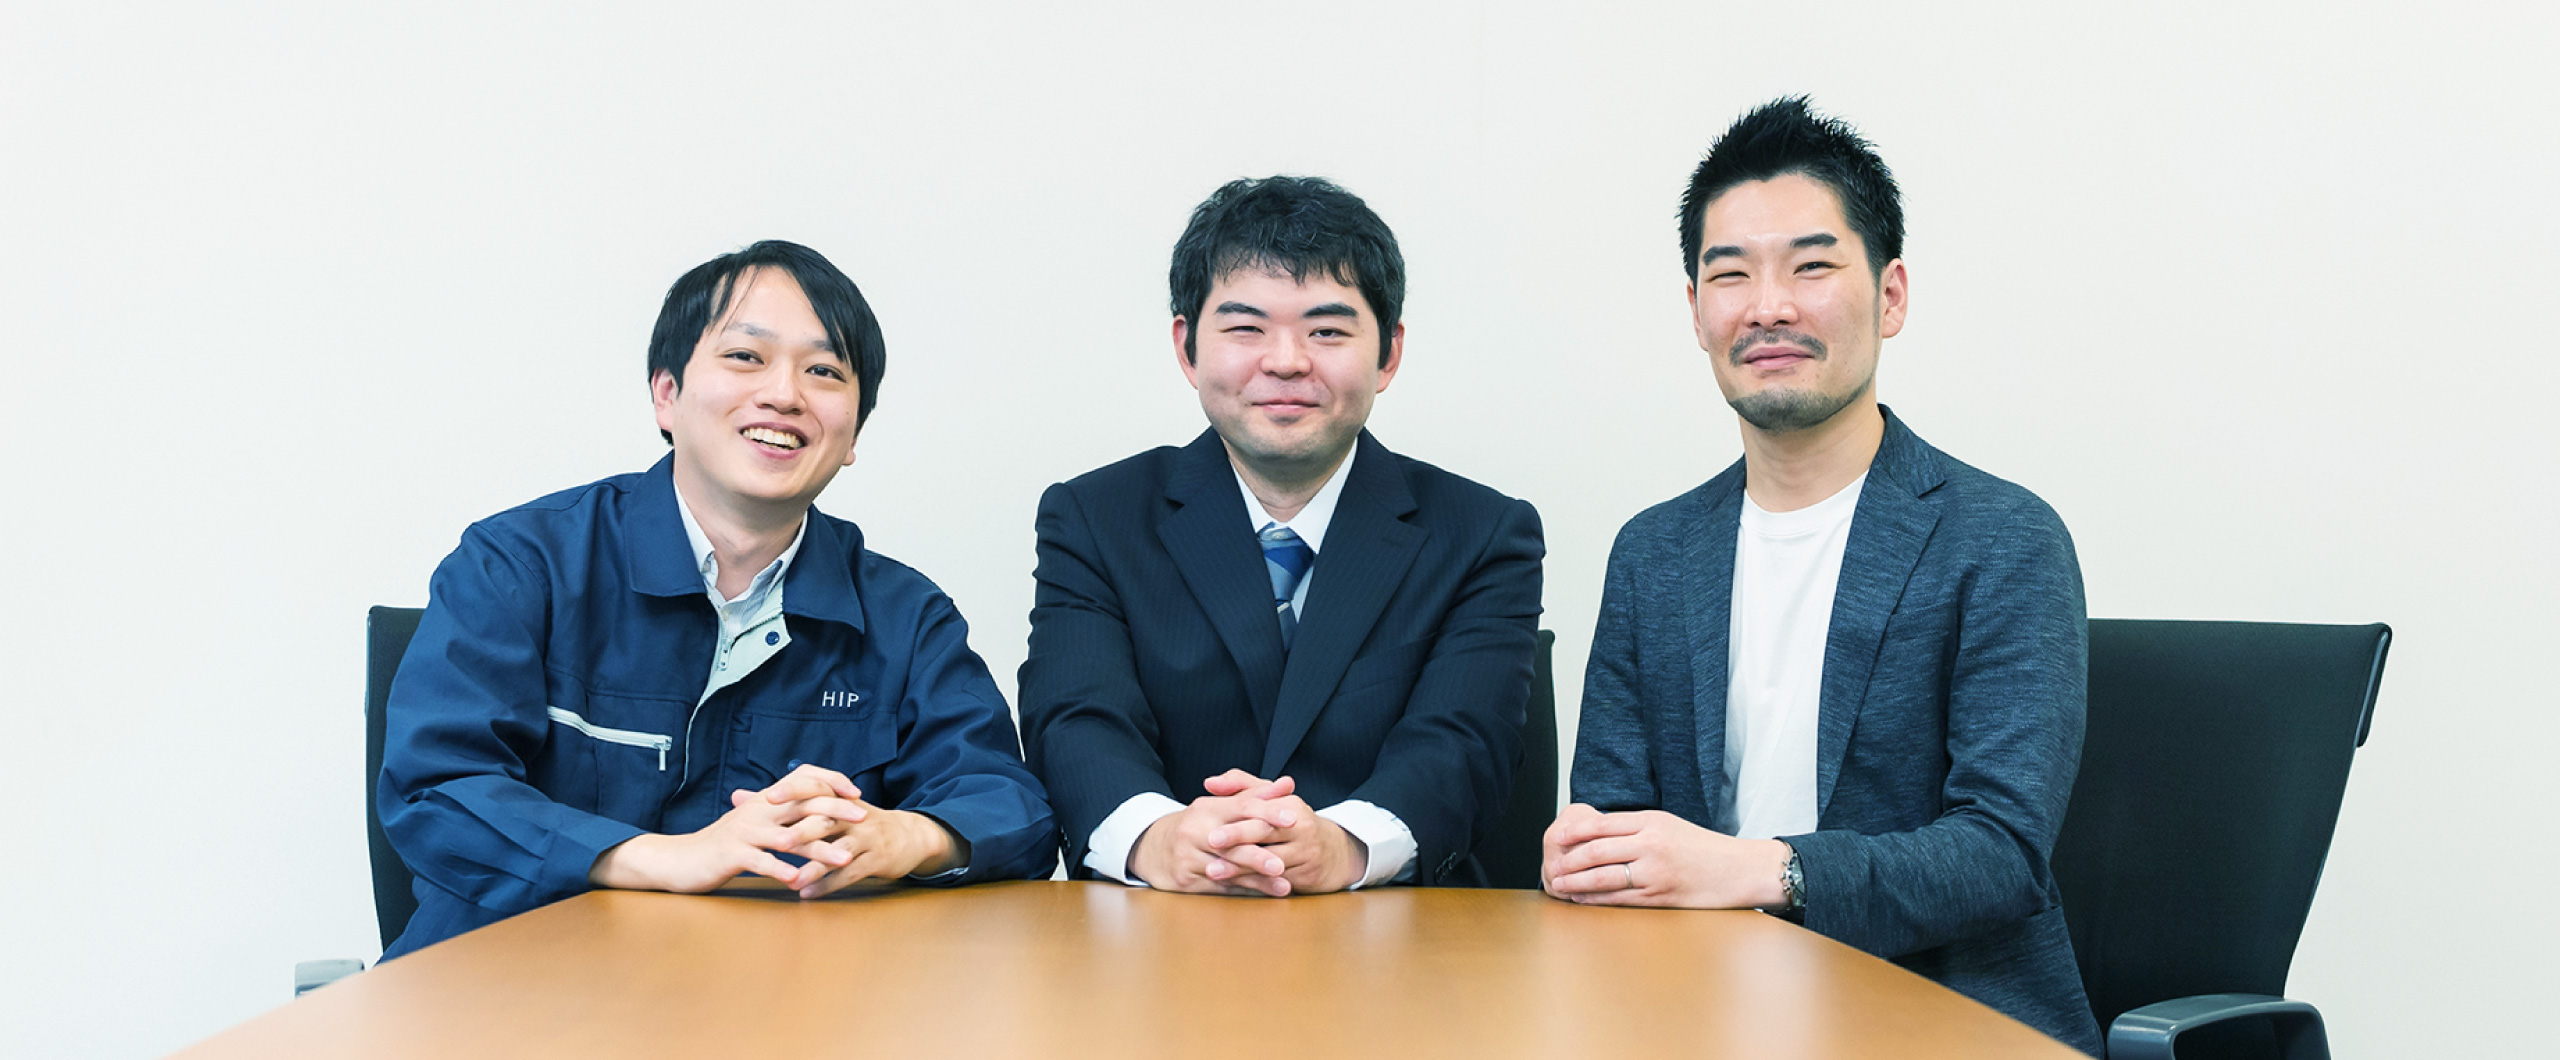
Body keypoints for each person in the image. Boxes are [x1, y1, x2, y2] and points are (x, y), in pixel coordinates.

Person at [1543, 98, 2102, 1052]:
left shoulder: (2003, 538)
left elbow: (2000, 855)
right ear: (1696, 312)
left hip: (1945, 1022)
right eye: (1731, 274)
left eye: (1811, 266)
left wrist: (1758, 871)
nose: (1769, 307)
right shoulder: (1654, 552)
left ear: (1891, 296)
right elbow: (1617, 822)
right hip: (1701, 1014)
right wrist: (1596, 859)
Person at [378, 240, 1055, 958]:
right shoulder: (520, 565)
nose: (785, 395)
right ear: (666, 395)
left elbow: (1014, 809)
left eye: (824, 371)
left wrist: (907, 835)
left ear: (854, 432)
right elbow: (438, 792)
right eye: (745, 356)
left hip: (781, 997)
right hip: (512, 984)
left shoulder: (905, 617)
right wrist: (662, 858)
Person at [1019, 176, 1544, 896]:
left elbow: (1465, 739)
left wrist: (1342, 846)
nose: (1287, 360)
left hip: (1397, 933)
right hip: (1156, 926)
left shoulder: (1482, 534)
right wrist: (1163, 839)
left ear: (1388, 353)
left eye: (1327, 331)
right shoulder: (1094, 518)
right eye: (1245, 328)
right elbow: (1077, 717)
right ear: (1187, 348)